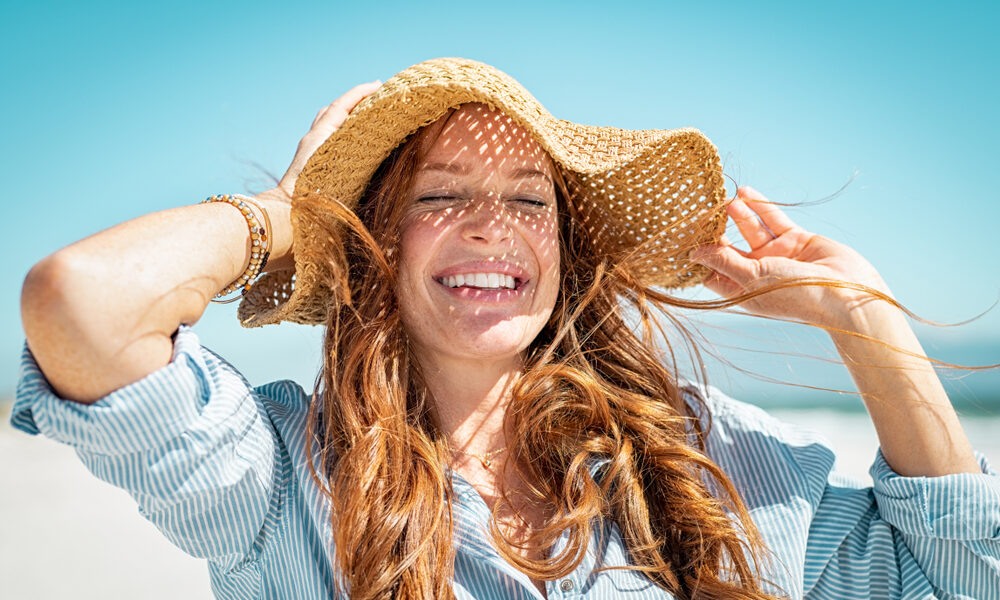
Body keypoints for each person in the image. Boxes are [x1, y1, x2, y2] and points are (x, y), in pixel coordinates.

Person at [12, 57, 999, 600]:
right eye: (439, 197)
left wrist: (864, 324)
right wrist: (290, 214)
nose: (490, 224)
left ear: (562, 253)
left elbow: (953, 578)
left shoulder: (701, 458)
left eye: (529, 201)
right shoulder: (281, 475)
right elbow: (83, 304)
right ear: (378, 249)